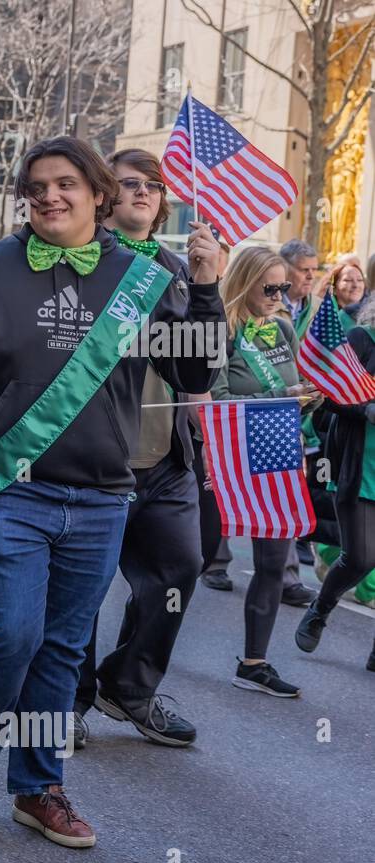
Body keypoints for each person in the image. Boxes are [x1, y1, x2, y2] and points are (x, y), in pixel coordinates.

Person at [0, 136, 221, 849]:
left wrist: (208, 288)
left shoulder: (143, 278)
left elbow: (194, 378)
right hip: (2, 490)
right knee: (9, 633)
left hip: (101, 496)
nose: (50, 197)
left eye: (66, 184)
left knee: (60, 647)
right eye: (37, 187)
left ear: (99, 194)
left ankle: (38, 787)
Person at [71, 148, 224, 750]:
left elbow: (202, 367)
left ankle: (129, 686)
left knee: (179, 570)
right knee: (81, 587)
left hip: (165, 457)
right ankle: (70, 698)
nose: (142, 193)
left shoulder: (179, 268)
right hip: (92, 459)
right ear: (106, 194)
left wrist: (208, 285)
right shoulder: (80, 260)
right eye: (128, 183)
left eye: (154, 186)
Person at [212, 246, 319, 698]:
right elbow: (214, 402)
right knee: (186, 562)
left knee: (273, 562)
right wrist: (278, 399)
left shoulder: (283, 328)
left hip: (277, 452)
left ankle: (254, 662)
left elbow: (295, 390)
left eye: (284, 287)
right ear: (244, 282)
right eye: (269, 288)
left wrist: (307, 396)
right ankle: (138, 660)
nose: (279, 296)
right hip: (231, 454)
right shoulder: (223, 331)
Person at [296, 295, 375, 667]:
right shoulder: (361, 339)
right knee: (360, 557)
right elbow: (327, 396)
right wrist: (365, 409)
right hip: (359, 468)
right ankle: (320, 609)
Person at [281, 239, 321, 335]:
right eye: (304, 270)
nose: (311, 276)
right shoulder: (266, 305)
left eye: (314, 270)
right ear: (284, 269)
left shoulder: (319, 307)